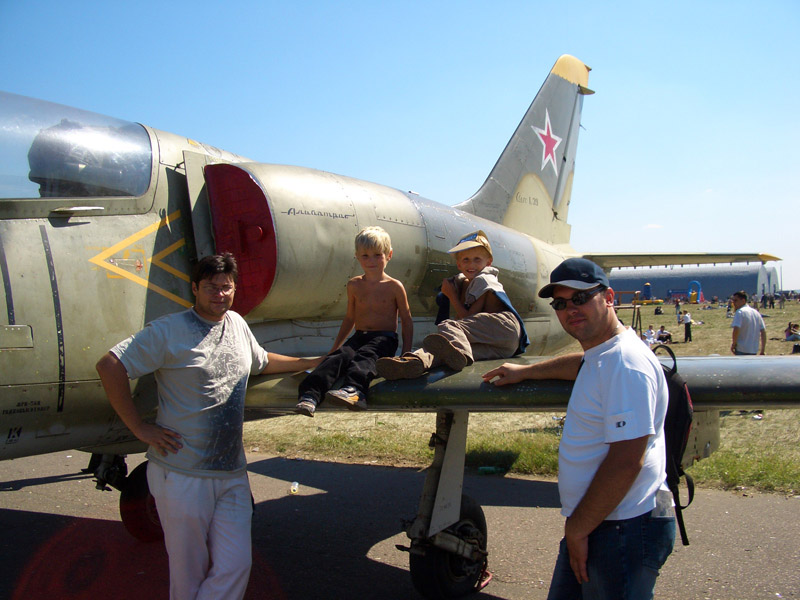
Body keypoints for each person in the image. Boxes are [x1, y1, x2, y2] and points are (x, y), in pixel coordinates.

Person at [96, 253, 321, 600]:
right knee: (188, 576)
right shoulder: (170, 330)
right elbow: (110, 365)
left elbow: (261, 361)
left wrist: (313, 361)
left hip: (231, 473)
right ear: (195, 288)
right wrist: (139, 427)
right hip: (182, 474)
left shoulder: (237, 324)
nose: (220, 294)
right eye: (211, 287)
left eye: (226, 287)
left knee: (236, 565)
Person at [483, 257, 675, 599]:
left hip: (622, 527)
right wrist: (526, 371)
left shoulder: (625, 364)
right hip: (600, 522)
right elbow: (584, 365)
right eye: (560, 303)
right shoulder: (605, 354)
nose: (570, 309)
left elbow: (626, 460)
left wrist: (578, 528)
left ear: (609, 297)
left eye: (581, 298)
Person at [376, 230, 528, 379]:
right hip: (501, 345)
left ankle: (461, 353)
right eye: (466, 260)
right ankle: (414, 362)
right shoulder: (468, 283)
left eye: (477, 259)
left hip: (503, 329)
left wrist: (452, 295)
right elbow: (469, 322)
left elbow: (468, 316)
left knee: (448, 326)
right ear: (459, 264)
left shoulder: (484, 280)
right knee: (444, 351)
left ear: (488, 263)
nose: (471, 264)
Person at [294, 226, 413, 416]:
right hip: (359, 336)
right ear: (357, 256)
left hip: (384, 339)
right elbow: (350, 318)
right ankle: (310, 395)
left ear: (389, 255)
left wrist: (405, 353)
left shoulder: (394, 286)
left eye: (377, 255)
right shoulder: (354, 285)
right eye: (365, 256)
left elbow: (406, 320)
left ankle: (355, 391)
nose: (371, 260)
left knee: (365, 358)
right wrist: (335, 347)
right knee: (336, 359)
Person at [730, 290, 766, 355]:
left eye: (736, 300)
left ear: (743, 301)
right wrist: (762, 350)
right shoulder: (756, 313)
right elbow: (763, 331)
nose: (734, 303)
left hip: (741, 349)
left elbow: (736, 329)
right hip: (753, 349)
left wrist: (734, 344)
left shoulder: (740, 312)